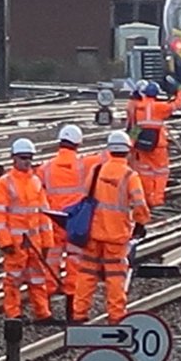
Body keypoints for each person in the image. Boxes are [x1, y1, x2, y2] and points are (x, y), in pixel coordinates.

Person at [72, 131, 151, 324]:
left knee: (87, 274)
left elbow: (85, 197)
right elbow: (139, 204)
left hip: (93, 233)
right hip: (116, 236)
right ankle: (116, 317)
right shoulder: (130, 176)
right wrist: (141, 223)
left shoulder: (96, 171)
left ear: (109, 149)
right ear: (128, 151)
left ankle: (78, 314)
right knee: (115, 277)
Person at [0, 138, 55, 323]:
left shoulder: (36, 182)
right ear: (14, 158)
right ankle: (13, 314)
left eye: (29, 158)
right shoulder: (4, 183)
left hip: (34, 243)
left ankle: (43, 313)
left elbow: (44, 215)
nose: (27, 161)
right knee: (13, 280)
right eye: (23, 157)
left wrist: (47, 241)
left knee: (38, 279)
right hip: (15, 244)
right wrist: (5, 242)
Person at [38, 124, 103, 299]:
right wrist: (134, 130)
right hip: (75, 220)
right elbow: (112, 154)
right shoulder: (85, 164)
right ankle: (71, 289)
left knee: (52, 256)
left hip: (53, 219)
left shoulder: (46, 167)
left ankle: (49, 287)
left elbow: (37, 188)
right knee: (75, 256)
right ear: (78, 143)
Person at [131, 80, 181, 207]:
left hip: (142, 145)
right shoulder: (160, 107)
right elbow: (177, 104)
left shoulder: (139, 107)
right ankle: (157, 199)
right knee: (161, 172)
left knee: (145, 172)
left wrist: (131, 143)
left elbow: (136, 127)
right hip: (158, 146)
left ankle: (146, 198)